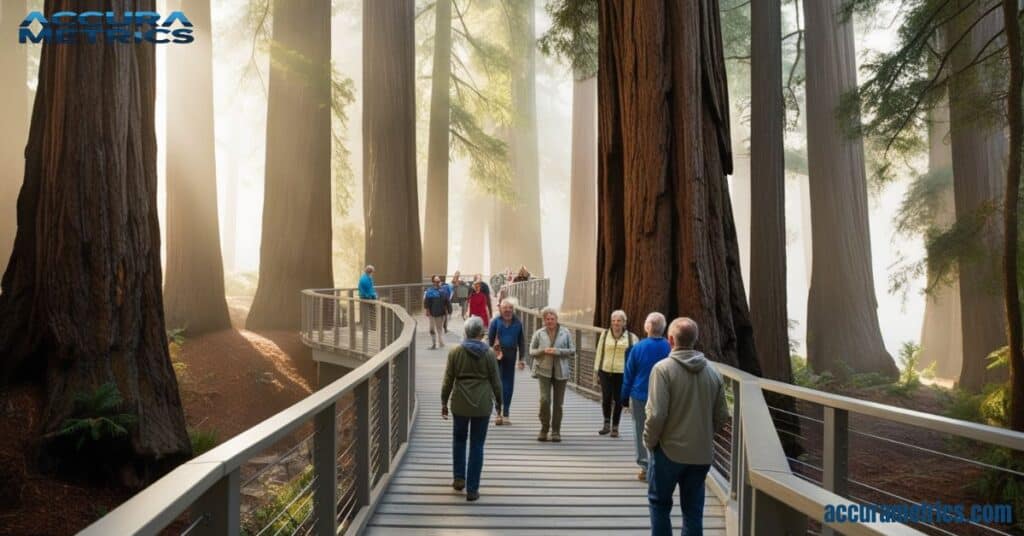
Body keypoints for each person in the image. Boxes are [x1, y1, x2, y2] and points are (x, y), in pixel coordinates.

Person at [645, 318, 727, 535]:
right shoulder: (713, 372)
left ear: (670, 340)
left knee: (659, 504)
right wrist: (705, 436)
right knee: (693, 511)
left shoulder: (662, 370)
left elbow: (656, 414)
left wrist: (649, 441)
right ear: (695, 340)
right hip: (700, 455)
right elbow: (722, 417)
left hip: (667, 452)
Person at [441, 316, 502, 502]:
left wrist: (444, 402)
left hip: (460, 402)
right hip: (482, 404)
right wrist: (500, 404)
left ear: (466, 332)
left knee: (459, 440)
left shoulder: (455, 352)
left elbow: (448, 380)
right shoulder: (490, 354)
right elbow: (496, 382)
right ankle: (473, 489)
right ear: (481, 333)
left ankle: (459, 478)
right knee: (477, 445)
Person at [621, 312, 670, 481]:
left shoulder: (637, 348)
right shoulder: (669, 347)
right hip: (664, 395)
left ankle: (645, 466)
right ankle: (661, 465)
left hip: (639, 394)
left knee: (640, 429)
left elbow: (629, 374)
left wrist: (624, 396)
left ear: (647, 327)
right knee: (664, 429)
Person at [528, 307, 576, 443]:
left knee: (558, 403)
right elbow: (531, 351)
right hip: (543, 370)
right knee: (544, 400)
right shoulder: (539, 333)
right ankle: (544, 428)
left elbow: (572, 350)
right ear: (544, 320)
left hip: (561, 371)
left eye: (552, 319)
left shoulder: (565, 332)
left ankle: (556, 430)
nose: (550, 321)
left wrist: (558, 351)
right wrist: (543, 350)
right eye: (547, 319)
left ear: (556, 319)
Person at [593, 310, 638, 437]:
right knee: (606, 397)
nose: (616, 323)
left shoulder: (631, 338)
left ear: (624, 322)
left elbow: (635, 357)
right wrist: (596, 371)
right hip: (605, 370)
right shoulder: (604, 334)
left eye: (618, 321)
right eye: (613, 321)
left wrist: (633, 375)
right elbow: (599, 353)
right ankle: (606, 422)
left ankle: (615, 426)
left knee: (618, 400)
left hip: (622, 372)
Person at [487, 299, 527, 425]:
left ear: (513, 309)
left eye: (510, 308)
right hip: (497, 356)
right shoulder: (495, 322)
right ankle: (498, 413)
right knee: (497, 384)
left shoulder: (518, 323)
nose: (508, 310)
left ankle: (506, 413)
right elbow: (490, 341)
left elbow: (521, 342)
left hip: (511, 355)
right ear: (500, 309)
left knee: (509, 385)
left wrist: (521, 359)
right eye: (505, 308)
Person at [423, 276, 448, 349]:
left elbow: (446, 302)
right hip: (432, 313)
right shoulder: (430, 291)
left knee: (439, 328)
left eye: (439, 281)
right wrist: (427, 310)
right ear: (433, 282)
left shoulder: (443, 291)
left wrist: (447, 311)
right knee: (431, 329)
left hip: (440, 313)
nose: (437, 283)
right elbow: (426, 302)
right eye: (436, 281)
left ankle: (440, 342)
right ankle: (434, 343)